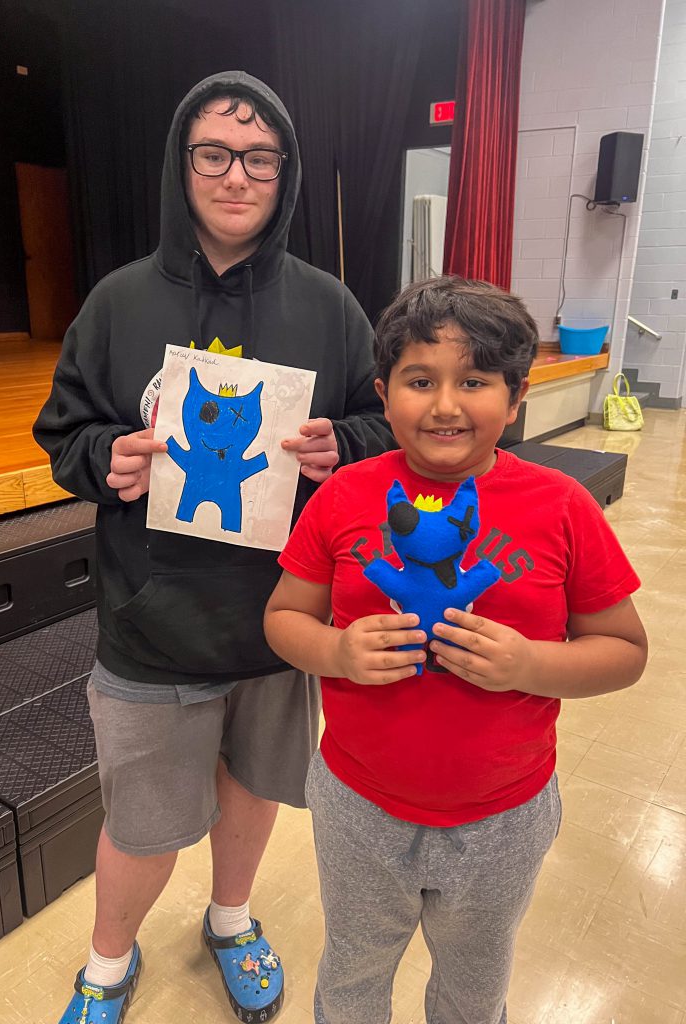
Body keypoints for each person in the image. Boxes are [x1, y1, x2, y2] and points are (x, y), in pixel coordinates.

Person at [33, 70, 394, 1024]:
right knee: (143, 824)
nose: (237, 175)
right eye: (215, 154)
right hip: (153, 617)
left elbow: (377, 425)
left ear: (286, 172)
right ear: (181, 166)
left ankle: (230, 919)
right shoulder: (116, 302)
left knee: (257, 788)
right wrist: (106, 457)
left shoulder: (331, 306)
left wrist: (339, 446)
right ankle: (107, 968)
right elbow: (62, 433)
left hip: (282, 619)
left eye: (259, 157)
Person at [264, 276, 648, 1024]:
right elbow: (283, 619)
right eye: (419, 380)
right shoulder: (343, 496)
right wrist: (338, 652)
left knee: (474, 989)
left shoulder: (562, 506)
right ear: (383, 393)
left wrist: (532, 664)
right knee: (352, 973)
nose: (444, 404)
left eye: (473, 381)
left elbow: (624, 649)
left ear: (515, 397)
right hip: (358, 806)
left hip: (503, 817)